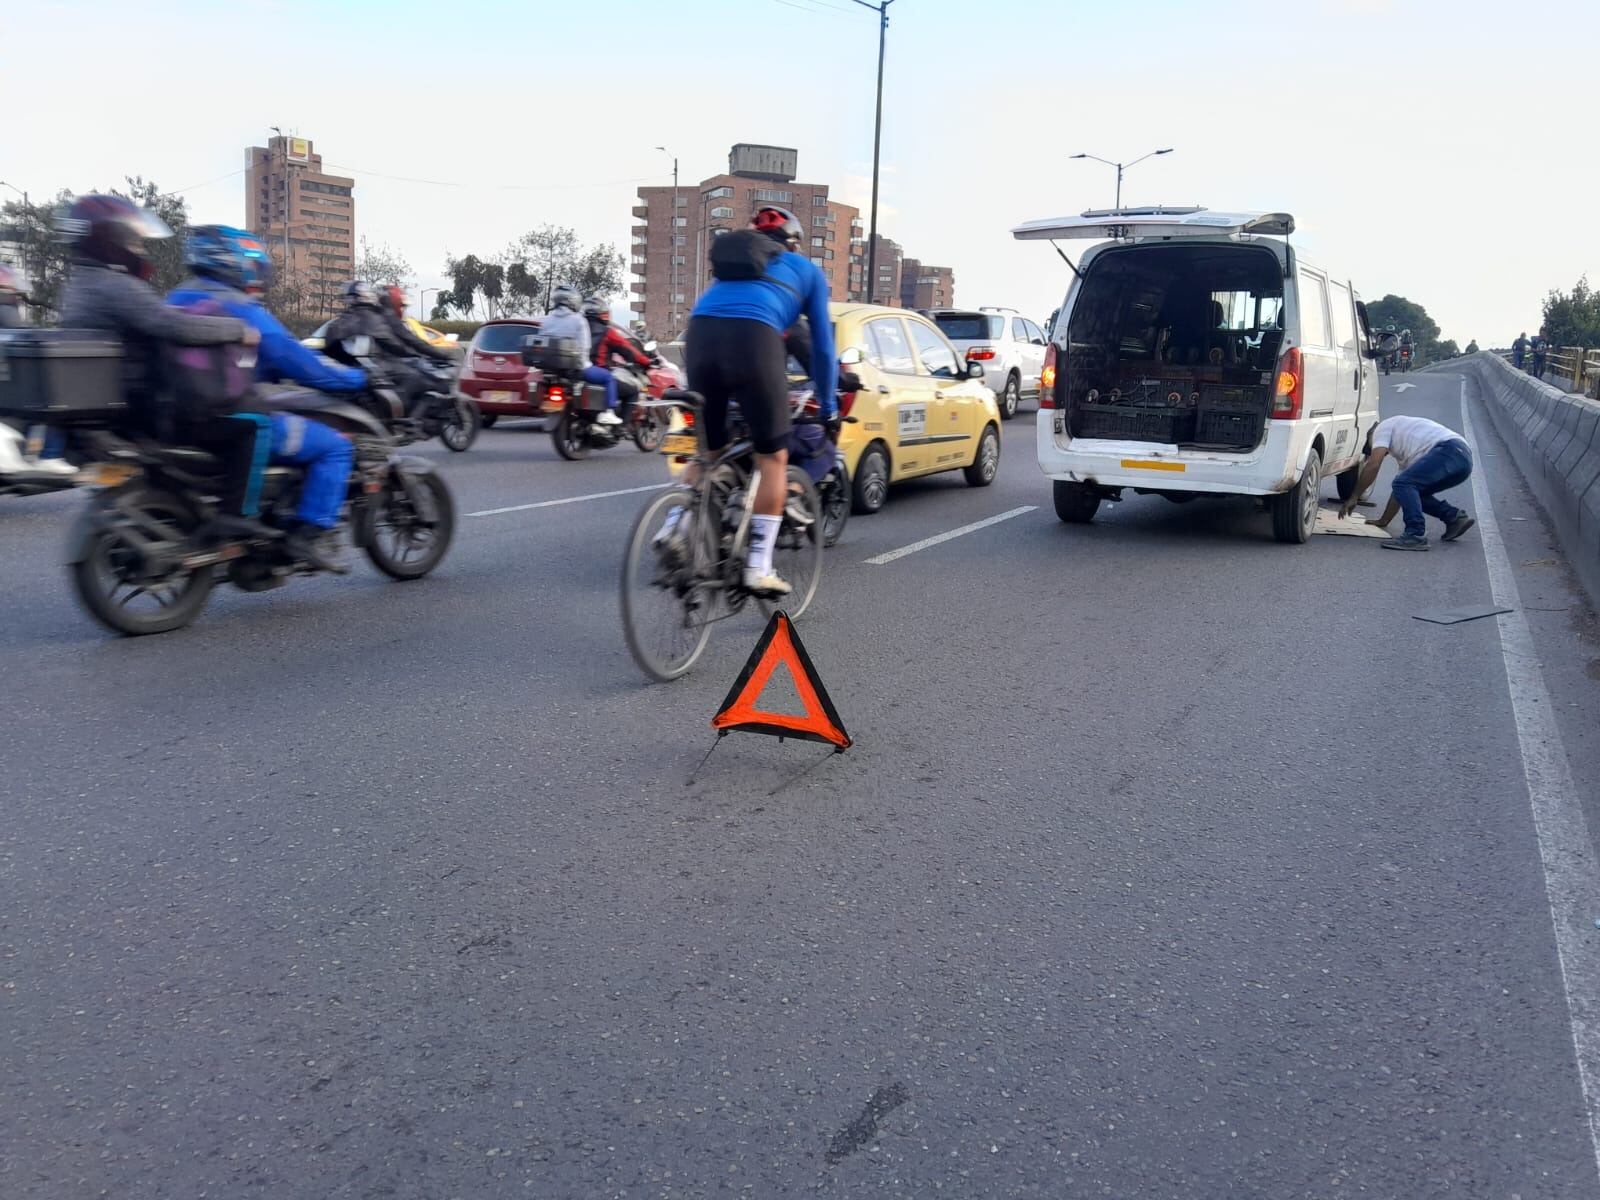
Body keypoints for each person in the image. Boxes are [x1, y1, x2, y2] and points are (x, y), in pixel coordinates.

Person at [55, 194, 265, 537]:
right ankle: (236, 518)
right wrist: (239, 330)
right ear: (112, 239)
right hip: (150, 409)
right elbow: (174, 326)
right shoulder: (116, 286)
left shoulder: (78, 285)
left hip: (116, 409)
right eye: (133, 240)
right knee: (252, 428)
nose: (138, 248)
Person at [166, 225, 360, 571]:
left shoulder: (175, 297)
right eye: (253, 264)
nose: (257, 273)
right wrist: (356, 379)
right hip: (225, 414)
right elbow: (295, 360)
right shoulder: (239, 305)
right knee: (334, 447)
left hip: (172, 416)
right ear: (235, 262)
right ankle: (307, 534)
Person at [679, 206, 837, 596]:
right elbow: (821, 347)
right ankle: (758, 566)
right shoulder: (806, 271)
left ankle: (674, 528)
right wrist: (830, 405)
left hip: (698, 338)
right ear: (793, 244)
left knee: (710, 453)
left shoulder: (727, 274)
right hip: (753, 340)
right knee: (774, 459)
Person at [1339, 415, 1475, 550]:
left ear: (1372, 436)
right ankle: (1454, 518)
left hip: (1449, 449)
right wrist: (1384, 520)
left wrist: (1354, 497)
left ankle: (1415, 534)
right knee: (1411, 491)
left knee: (1403, 484)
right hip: (1463, 460)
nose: (1379, 451)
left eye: (1373, 447)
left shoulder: (1382, 428)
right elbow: (1399, 494)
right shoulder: (1410, 451)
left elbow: (1374, 465)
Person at [0, 263, 76, 477]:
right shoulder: (5, 310)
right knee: (55, 399)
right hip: (13, 380)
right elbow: (24, 335)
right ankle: (50, 455)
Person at [537, 286, 620, 426]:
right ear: (573, 301)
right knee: (608, 377)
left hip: (552, 372)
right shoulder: (578, 320)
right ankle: (609, 413)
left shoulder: (546, 320)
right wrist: (583, 365)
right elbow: (585, 347)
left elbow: (541, 342)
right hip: (577, 370)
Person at [582, 296, 654, 411]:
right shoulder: (607, 331)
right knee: (632, 391)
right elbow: (628, 349)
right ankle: (623, 427)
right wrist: (647, 361)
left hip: (578, 373)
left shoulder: (579, 328)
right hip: (598, 373)